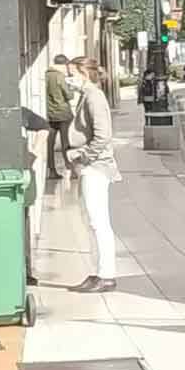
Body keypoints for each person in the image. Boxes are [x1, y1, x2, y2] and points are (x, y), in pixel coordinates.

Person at [66, 57, 121, 292]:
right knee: (92, 221)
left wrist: (82, 156)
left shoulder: (94, 97)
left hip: (96, 167)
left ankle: (106, 275)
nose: (69, 79)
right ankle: (98, 271)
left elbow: (102, 136)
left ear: (84, 74)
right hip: (91, 166)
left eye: (72, 74)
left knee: (99, 222)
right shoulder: (87, 96)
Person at [44, 53, 74, 180]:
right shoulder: (59, 76)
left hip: (50, 114)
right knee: (66, 143)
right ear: (63, 65)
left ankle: (51, 171)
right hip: (63, 113)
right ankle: (71, 170)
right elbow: (68, 95)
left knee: (49, 143)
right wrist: (71, 89)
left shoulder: (46, 75)